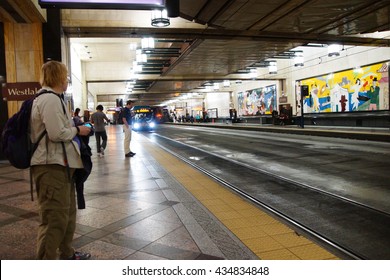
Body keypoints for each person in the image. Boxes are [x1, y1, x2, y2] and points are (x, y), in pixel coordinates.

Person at [30, 60, 91, 260]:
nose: (66, 80)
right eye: (64, 76)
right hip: (51, 168)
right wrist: (78, 130)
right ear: (57, 77)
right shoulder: (49, 99)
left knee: (67, 215)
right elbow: (56, 134)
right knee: (53, 219)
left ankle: (67, 254)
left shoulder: (56, 98)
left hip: (61, 167)